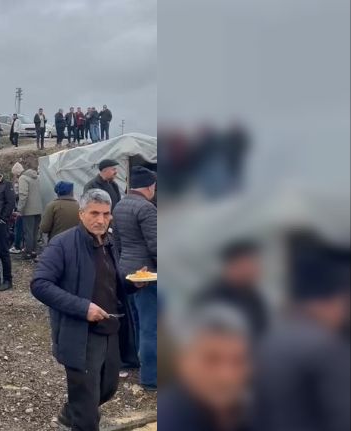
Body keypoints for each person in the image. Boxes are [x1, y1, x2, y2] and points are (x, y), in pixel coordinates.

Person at [31, 189, 143, 431]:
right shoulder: (62, 244)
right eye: (94, 213)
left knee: (108, 387)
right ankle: (80, 417)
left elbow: (111, 282)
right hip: (80, 334)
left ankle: (71, 412)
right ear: (81, 214)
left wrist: (133, 284)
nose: (100, 220)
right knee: (88, 410)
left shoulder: (110, 242)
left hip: (111, 328)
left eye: (105, 214)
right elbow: (40, 284)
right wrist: (83, 308)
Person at [253, 235, 350, 431]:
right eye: (344, 302)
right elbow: (343, 417)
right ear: (328, 301)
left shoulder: (269, 340)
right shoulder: (327, 347)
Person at [159, 304, 252, 431]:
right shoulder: (169, 420)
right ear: (183, 362)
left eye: (238, 361)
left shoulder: (256, 412)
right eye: (212, 360)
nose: (226, 376)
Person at [113, 166, 158, 390]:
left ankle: (143, 365)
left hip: (126, 271)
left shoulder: (120, 205)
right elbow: (156, 245)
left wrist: (123, 264)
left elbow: (118, 242)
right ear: (150, 187)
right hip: (147, 274)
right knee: (153, 327)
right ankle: (151, 378)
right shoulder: (147, 208)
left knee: (138, 323)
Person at [196, 240, 268, 336]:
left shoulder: (253, 296)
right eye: (249, 264)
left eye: (255, 263)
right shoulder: (213, 298)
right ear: (233, 266)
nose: (255, 269)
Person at [16, 161, 42, 261]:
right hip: (38, 208)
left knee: (28, 232)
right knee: (35, 232)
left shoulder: (23, 178)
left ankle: (28, 252)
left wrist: (19, 209)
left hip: (28, 210)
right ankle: (34, 251)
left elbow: (23, 195)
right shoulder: (37, 177)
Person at [9, 162, 25, 254]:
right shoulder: (27, 178)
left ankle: (17, 246)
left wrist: (18, 209)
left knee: (18, 226)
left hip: (20, 207)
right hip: (27, 208)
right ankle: (24, 245)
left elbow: (16, 195)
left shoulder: (18, 181)